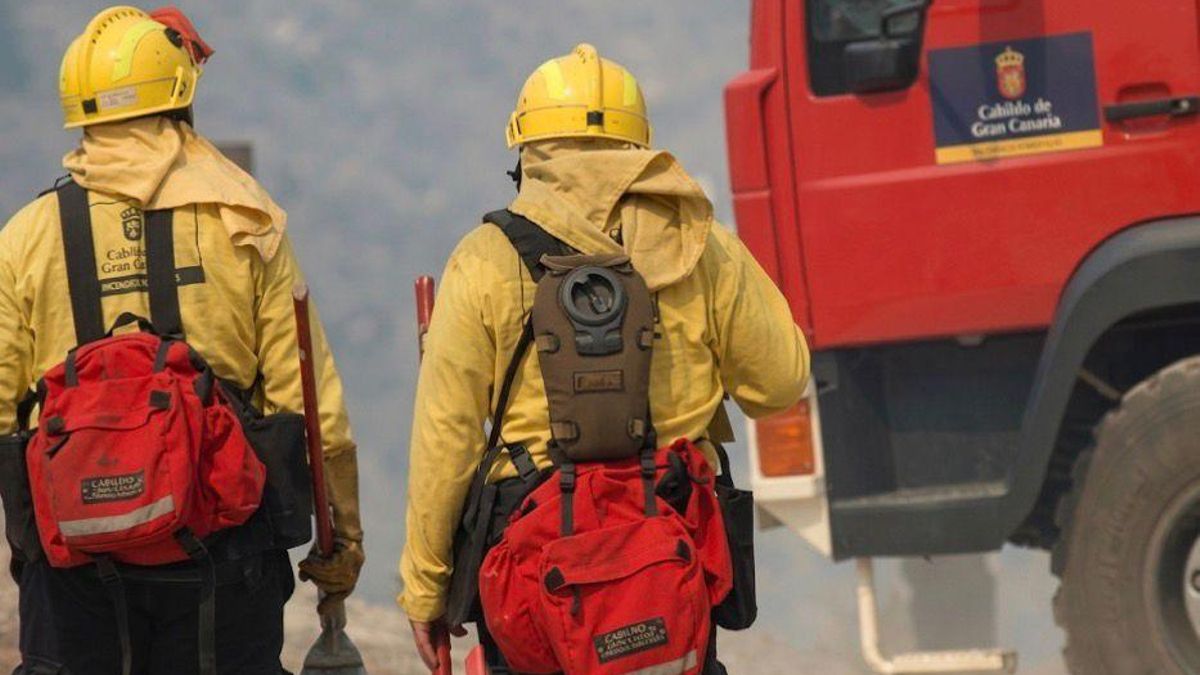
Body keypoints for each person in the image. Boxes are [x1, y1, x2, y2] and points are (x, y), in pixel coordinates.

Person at [400, 43, 810, 673]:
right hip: (670, 543)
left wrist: (427, 592)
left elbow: (446, 441)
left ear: (525, 153)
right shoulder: (702, 246)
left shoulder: (483, 259)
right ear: (637, 149)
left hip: (534, 565)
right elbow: (779, 384)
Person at [0, 6, 363, 673]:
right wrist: (340, 547)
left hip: (75, 569)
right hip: (223, 567)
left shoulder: (25, 239)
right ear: (180, 97)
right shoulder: (246, 222)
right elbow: (310, 408)